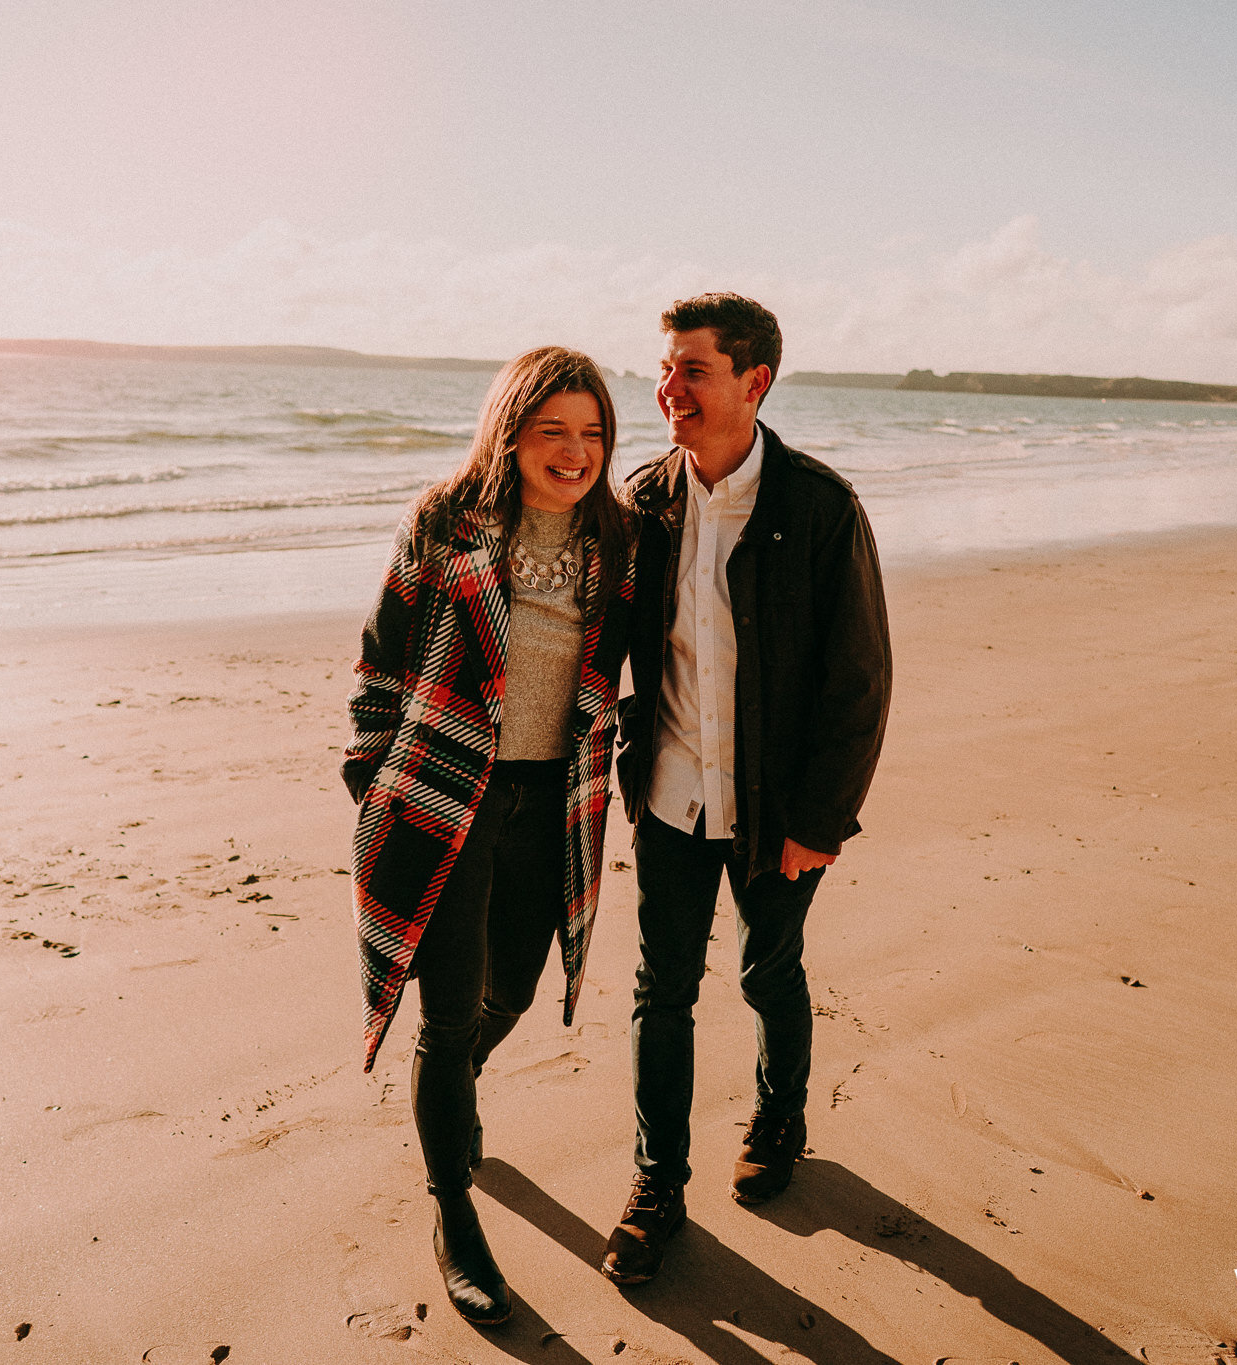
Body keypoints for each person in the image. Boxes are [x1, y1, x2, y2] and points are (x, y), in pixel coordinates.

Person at [601, 293, 892, 1284]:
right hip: (671, 799)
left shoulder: (817, 508)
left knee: (769, 972)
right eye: (665, 367)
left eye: (691, 369)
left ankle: (778, 1118)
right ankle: (656, 1185)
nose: (665, 389)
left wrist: (820, 822)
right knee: (660, 990)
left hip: (778, 807)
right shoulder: (641, 502)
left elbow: (858, 681)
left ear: (752, 381)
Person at [342, 346, 635, 1325]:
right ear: (510, 431)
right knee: (442, 1015)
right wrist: (369, 776)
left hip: (553, 799)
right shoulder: (443, 522)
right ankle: (451, 1212)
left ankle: (450, 1096)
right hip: (448, 795)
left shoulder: (616, 541)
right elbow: (379, 662)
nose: (574, 450)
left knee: (512, 982)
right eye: (552, 430)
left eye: (591, 433)